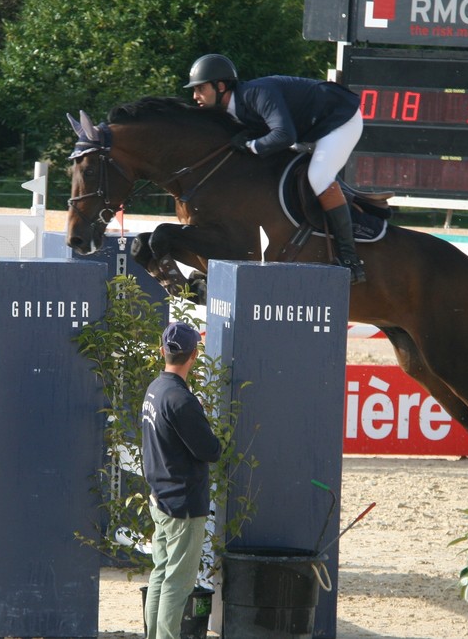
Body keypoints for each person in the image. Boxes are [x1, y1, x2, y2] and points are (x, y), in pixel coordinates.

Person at [184, 53, 367, 284]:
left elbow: (284, 135)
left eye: (200, 89)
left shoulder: (257, 94)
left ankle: (351, 260)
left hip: (340, 119)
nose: (195, 96)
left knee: (318, 176)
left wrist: (251, 145)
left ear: (220, 86)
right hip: (311, 129)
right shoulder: (233, 109)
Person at [142, 321, 222, 639]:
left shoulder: (155, 389)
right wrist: (199, 413)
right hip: (183, 504)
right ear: (194, 355)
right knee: (177, 583)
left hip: (160, 497)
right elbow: (211, 450)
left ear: (162, 350)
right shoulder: (180, 399)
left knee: (161, 575)